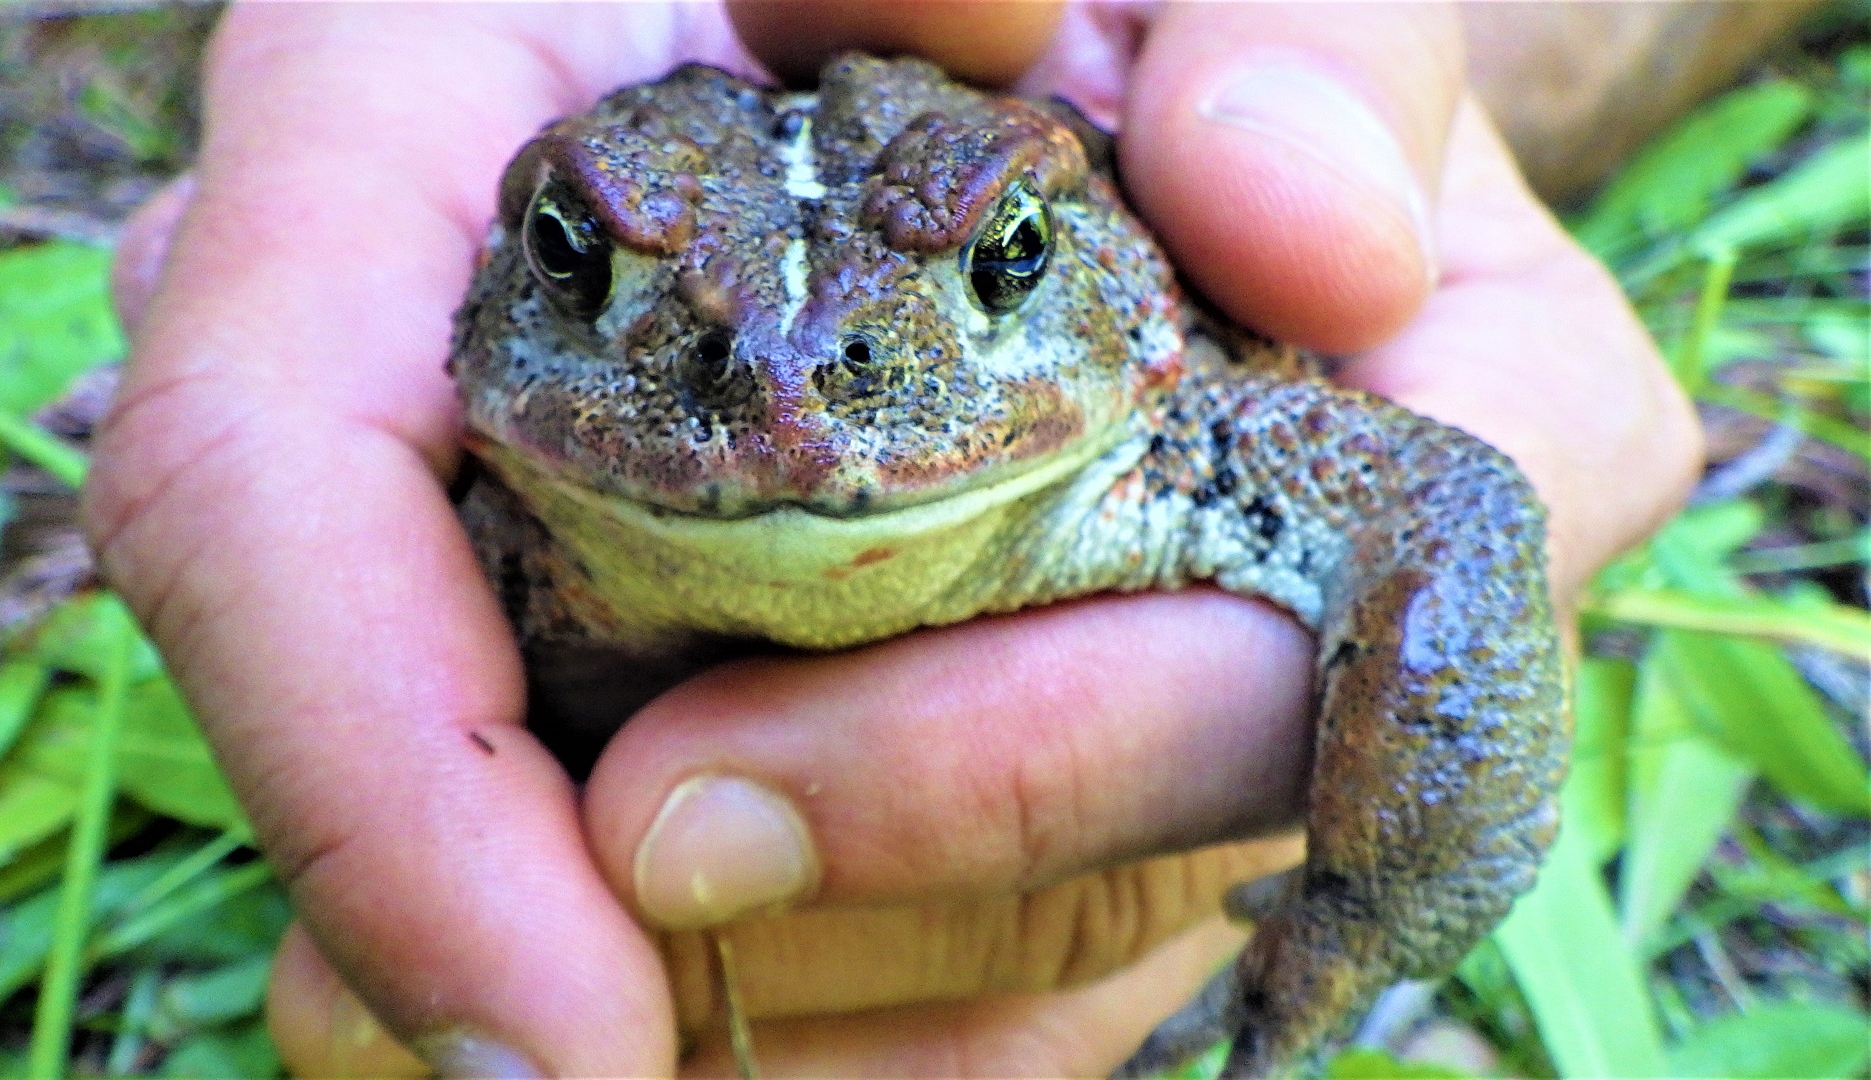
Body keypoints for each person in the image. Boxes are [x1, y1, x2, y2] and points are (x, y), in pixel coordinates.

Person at [89, 2, 1703, 1075]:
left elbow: (1450, 508)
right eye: (584, 259)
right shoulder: (467, 510)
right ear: (524, 269)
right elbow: (310, 472)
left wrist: (1370, 900)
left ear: (1048, 253)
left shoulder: (1192, 431)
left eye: (1000, 255)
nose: (797, 399)